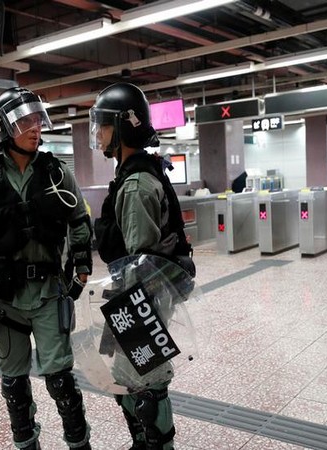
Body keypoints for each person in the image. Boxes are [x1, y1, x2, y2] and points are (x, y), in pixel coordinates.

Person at [0, 87, 93, 450]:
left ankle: (79, 443)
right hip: (5, 302)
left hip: (49, 293)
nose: (35, 128)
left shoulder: (56, 173)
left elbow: (80, 221)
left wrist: (80, 267)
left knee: (61, 381)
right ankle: (26, 443)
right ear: (5, 127)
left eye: (38, 120)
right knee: (14, 385)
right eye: (25, 121)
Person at [90, 82, 195, 450]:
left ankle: (156, 442)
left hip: (142, 298)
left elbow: (141, 263)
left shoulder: (135, 185)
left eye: (103, 125)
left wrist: (133, 321)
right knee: (127, 378)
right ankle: (144, 440)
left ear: (122, 128)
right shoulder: (137, 173)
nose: (98, 133)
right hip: (142, 295)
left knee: (145, 382)